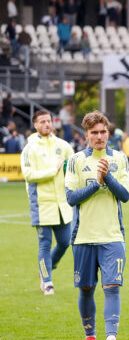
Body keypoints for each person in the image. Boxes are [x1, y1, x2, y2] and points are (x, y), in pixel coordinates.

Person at [64, 111, 129, 340]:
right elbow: (71, 198)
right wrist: (97, 183)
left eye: (103, 132)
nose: (100, 136)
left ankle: (111, 339)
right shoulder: (76, 160)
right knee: (86, 289)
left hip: (113, 236)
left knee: (112, 287)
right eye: (95, 133)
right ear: (87, 135)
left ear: (108, 133)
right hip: (83, 237)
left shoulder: (120, 159)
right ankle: (90, 337)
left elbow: (125, 195)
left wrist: (107, 177)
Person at [21, 110, 75, 295]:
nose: (46, 124)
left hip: (62, 205)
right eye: (42, 121)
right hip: (42, 204)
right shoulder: (30, 149)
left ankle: (47, 268)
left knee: (65, 242)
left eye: (48, 121)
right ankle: (48, 282)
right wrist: (53, 171)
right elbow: (28, 175)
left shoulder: (63, 145)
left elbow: (73, 165)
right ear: (35, 125)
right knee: (44, 244)